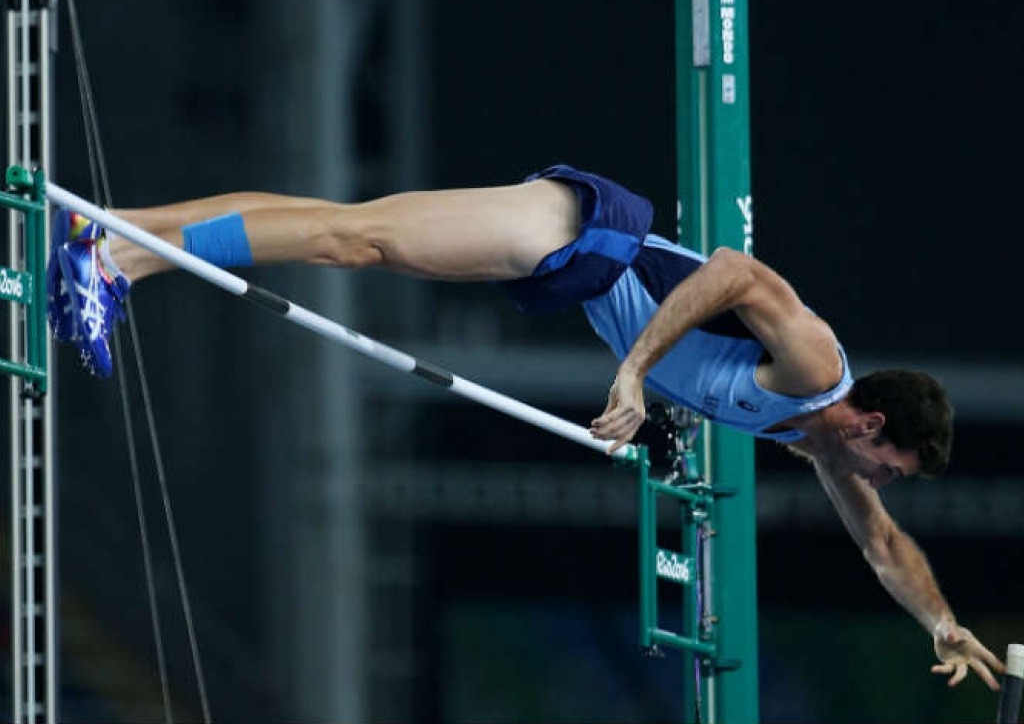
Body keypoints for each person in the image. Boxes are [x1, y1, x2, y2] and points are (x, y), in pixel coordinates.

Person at [48, 164, 1005, 689]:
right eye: (889, 464)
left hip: (569, 271)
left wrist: (942, 621)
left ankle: (107, 229)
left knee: (341, 228)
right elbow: (730, 271)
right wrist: (632, 371)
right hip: (578, 234)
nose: (878, 482)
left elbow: (882, 547)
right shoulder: (816, 367)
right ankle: (123, 267)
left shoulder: (815, 444)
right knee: (353, 239)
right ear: (871, 422)